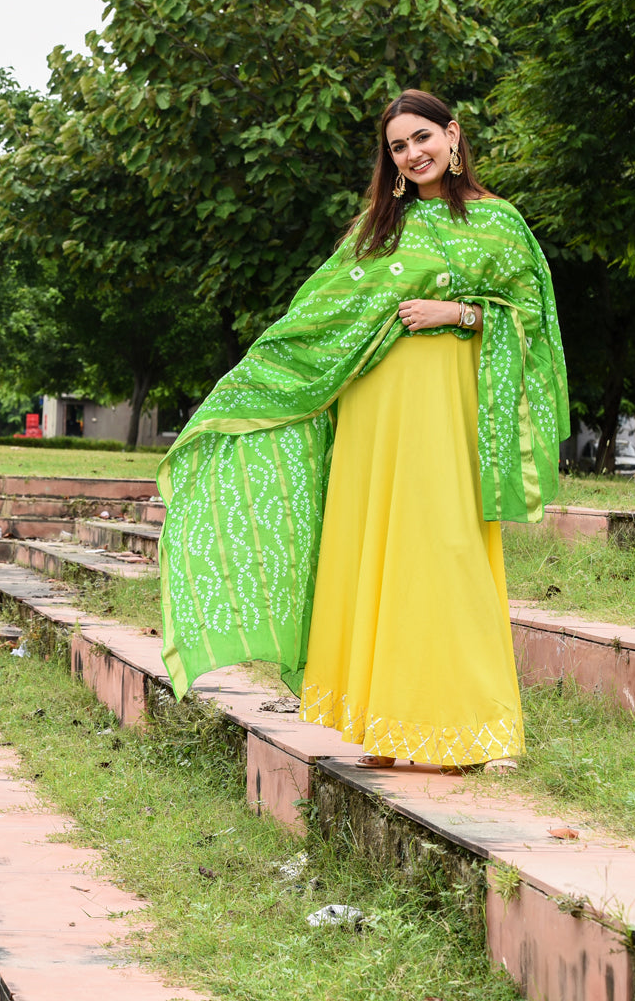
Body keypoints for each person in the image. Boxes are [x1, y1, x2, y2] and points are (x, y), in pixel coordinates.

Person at [156, 88, 568, 772]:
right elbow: (316, 320)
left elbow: (535, 323)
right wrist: (245, 395)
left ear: (453, 135)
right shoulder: (376, 230)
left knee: (447, 552)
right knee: (380, 556)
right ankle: (389, 727)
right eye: (399, 147)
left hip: (449, 410)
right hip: (375, 411)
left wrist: (458, 315)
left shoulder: (500, 224)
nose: (413, 153)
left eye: (422, 138)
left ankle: (472, 730)